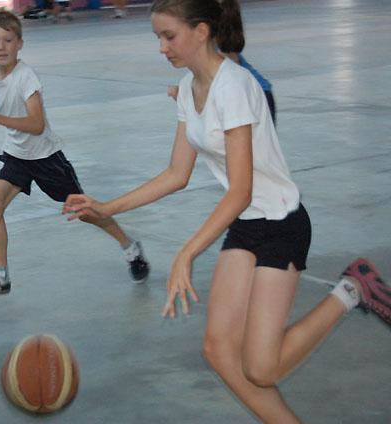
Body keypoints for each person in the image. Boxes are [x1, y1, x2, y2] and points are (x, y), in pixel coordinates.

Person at [63, 0, 391, 422]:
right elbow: (176, 173)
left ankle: (353, 289)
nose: (162, 47)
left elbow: (241, 189)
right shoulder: (187, 88)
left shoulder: (234, 86)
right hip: (247, 225)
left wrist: (187, 253)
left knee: (261, 368)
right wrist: (107, 206)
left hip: (281, 225)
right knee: (218, 352)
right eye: (157, 37)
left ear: (201, 31)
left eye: (169, 36)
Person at [0, 10, 149, 301]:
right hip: (16, 157)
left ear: (20, 43)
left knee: (84, 212)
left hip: (47, 158)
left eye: (8, 40)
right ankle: (1, 277)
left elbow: (36, 125)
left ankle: (130, 247)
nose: (1, 46)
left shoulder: (26, 78)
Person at [167, 4, 276, 125]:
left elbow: (230, 79)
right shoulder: (217, 50)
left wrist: (189, 99)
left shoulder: (223, 59)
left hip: (253, 96)